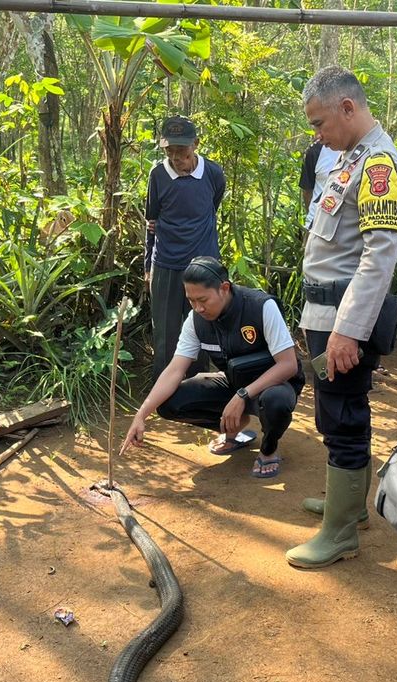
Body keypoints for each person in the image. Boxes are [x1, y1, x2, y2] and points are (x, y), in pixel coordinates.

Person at [285, 66, 397, 569]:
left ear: (347, 108)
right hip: (326, 311)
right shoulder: (349, 159)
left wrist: (347, 331)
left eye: (319, 123)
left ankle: (339, 534)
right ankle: (350, 505)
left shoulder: (378, 165)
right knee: (337, 408)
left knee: (341, 414)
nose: (317, 134)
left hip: (343, 316)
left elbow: (379, 256)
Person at [121, 257, 304, 479]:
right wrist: (141, 414)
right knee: (168, 403)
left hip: (274, 383)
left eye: (203, 300)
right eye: (191, 301)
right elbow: (175, 369)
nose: (198, 308)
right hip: (234, 380)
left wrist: (243, 395)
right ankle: (234, 427)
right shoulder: (195, 320)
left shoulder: (261, 306)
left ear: (224, 288)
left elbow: (288, 364)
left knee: (276, 403)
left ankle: (268, 449)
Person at [144, 115, 227, 377]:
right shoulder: (158, 175)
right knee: (165, 336)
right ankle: (165, 392)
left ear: (196, 144)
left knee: (203, 330)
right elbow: (152, 220)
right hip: (166, 265)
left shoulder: (213, 173)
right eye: (169, 150)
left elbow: (212, 206)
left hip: (204, 267)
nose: (175, 157)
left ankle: (198, 389)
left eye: (181, 150)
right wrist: (147, 267)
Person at [299, 138, 340, 230]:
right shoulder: (314, 150)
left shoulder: (363, 148)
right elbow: (307, 191)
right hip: (316, 224)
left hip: (348, 228)